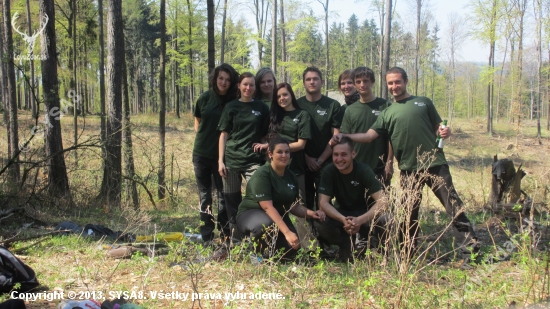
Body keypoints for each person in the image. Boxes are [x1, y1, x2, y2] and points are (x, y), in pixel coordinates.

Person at [332, 66, 478, 255]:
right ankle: (407, 250)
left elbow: (437, 127)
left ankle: (470, 244)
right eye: (390, 83)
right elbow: (369, 136)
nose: (394, 86)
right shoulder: (388, 111)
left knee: (452, 204)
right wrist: (342, 135)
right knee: (410, 213)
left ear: (406, 81)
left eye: (397, 82)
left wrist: (444, 131)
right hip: (408, 168)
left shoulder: (423, 102)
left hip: (434, 164)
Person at [236, 137, 325, 259]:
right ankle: (254, 252)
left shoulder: (291, 176)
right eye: (279, 152)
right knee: (264, 224)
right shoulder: (263, 174)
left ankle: (268, 254)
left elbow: (293, 206)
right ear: (270, 154)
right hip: (252, 214)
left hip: (276, 217)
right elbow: (267, 207)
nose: (284, 155)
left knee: (291, 248)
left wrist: (312, 213)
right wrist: (287, 232)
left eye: (287, 152)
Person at [217, 72, 270, 260]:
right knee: (231, 202)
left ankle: (256, 237)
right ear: (239, 86)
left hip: (252, 161)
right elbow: (223, 134)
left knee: (257, 198)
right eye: (245, 84)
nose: (248, 88)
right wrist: (220, 161)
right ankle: (236, 242)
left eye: (252, 85)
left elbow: (265, 134)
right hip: (231, 160)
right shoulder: (231, 107)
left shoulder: (261, 107)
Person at [314, 137, 388, 262]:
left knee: (387, 218)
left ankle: (377, 247)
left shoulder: (364, 170)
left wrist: (359, 220)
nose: (339, 159)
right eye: (335, 155)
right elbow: (323, 204)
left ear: (353, 154)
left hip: (364, 213)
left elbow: (383, 201)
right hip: (342, 214)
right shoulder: (329, 171)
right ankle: (345, 244)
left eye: (344, 155)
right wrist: (343, 220)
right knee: (320, 221)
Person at [192, 63, 238, 247]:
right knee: (205, 196)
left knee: (222, 196)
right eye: (221, 78)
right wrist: (205, 137)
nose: (224, 82)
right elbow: (197, 121)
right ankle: (207, 237)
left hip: (222, 157)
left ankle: (226, 235)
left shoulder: (233, 101)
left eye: (227, 80)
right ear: (215, 79)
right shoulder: (205, 98)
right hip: (201, 154)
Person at [296, 66, 343, 248]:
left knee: (323, 203)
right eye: (308, 79)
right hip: (302, 162)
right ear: (304, 82)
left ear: (321, 82)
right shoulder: (297, 104)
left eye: (315, 79)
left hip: (326, 164)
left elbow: (336, 137)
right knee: (304, 202)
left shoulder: (333, 105)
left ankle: (326, 241)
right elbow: (293, 135)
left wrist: (321, 160)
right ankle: (308, 242)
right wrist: (307, 157)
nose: (312, 82)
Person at [340, 67, 393, 188]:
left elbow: (391, 137)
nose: (362, 85)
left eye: (366, 81)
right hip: (355, 166)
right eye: (358, 82)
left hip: (379, 167)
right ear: (354, 84)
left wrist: (389, 162)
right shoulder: (350, 110)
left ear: (372, 82)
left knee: (381, 204)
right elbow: (345, 140)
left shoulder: (385, 106)